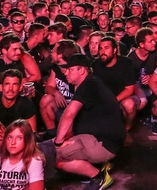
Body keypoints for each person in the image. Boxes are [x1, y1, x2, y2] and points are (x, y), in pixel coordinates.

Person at [52, 54, 123, 190]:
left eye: (70, 69)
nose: (66, 73)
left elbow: (69, 114)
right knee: (49, 147)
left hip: (104, 142)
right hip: (103, 138)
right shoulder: (91, 81)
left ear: (82, 70)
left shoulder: (89, 84)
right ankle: (97, 165)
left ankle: (99, 176)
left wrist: (59, 142)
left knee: (55, 155)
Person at [0, 119, 44, 190]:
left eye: (19, 138)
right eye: (10, 137)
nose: (13, 142)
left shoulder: (34, 160)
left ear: (27, 140)